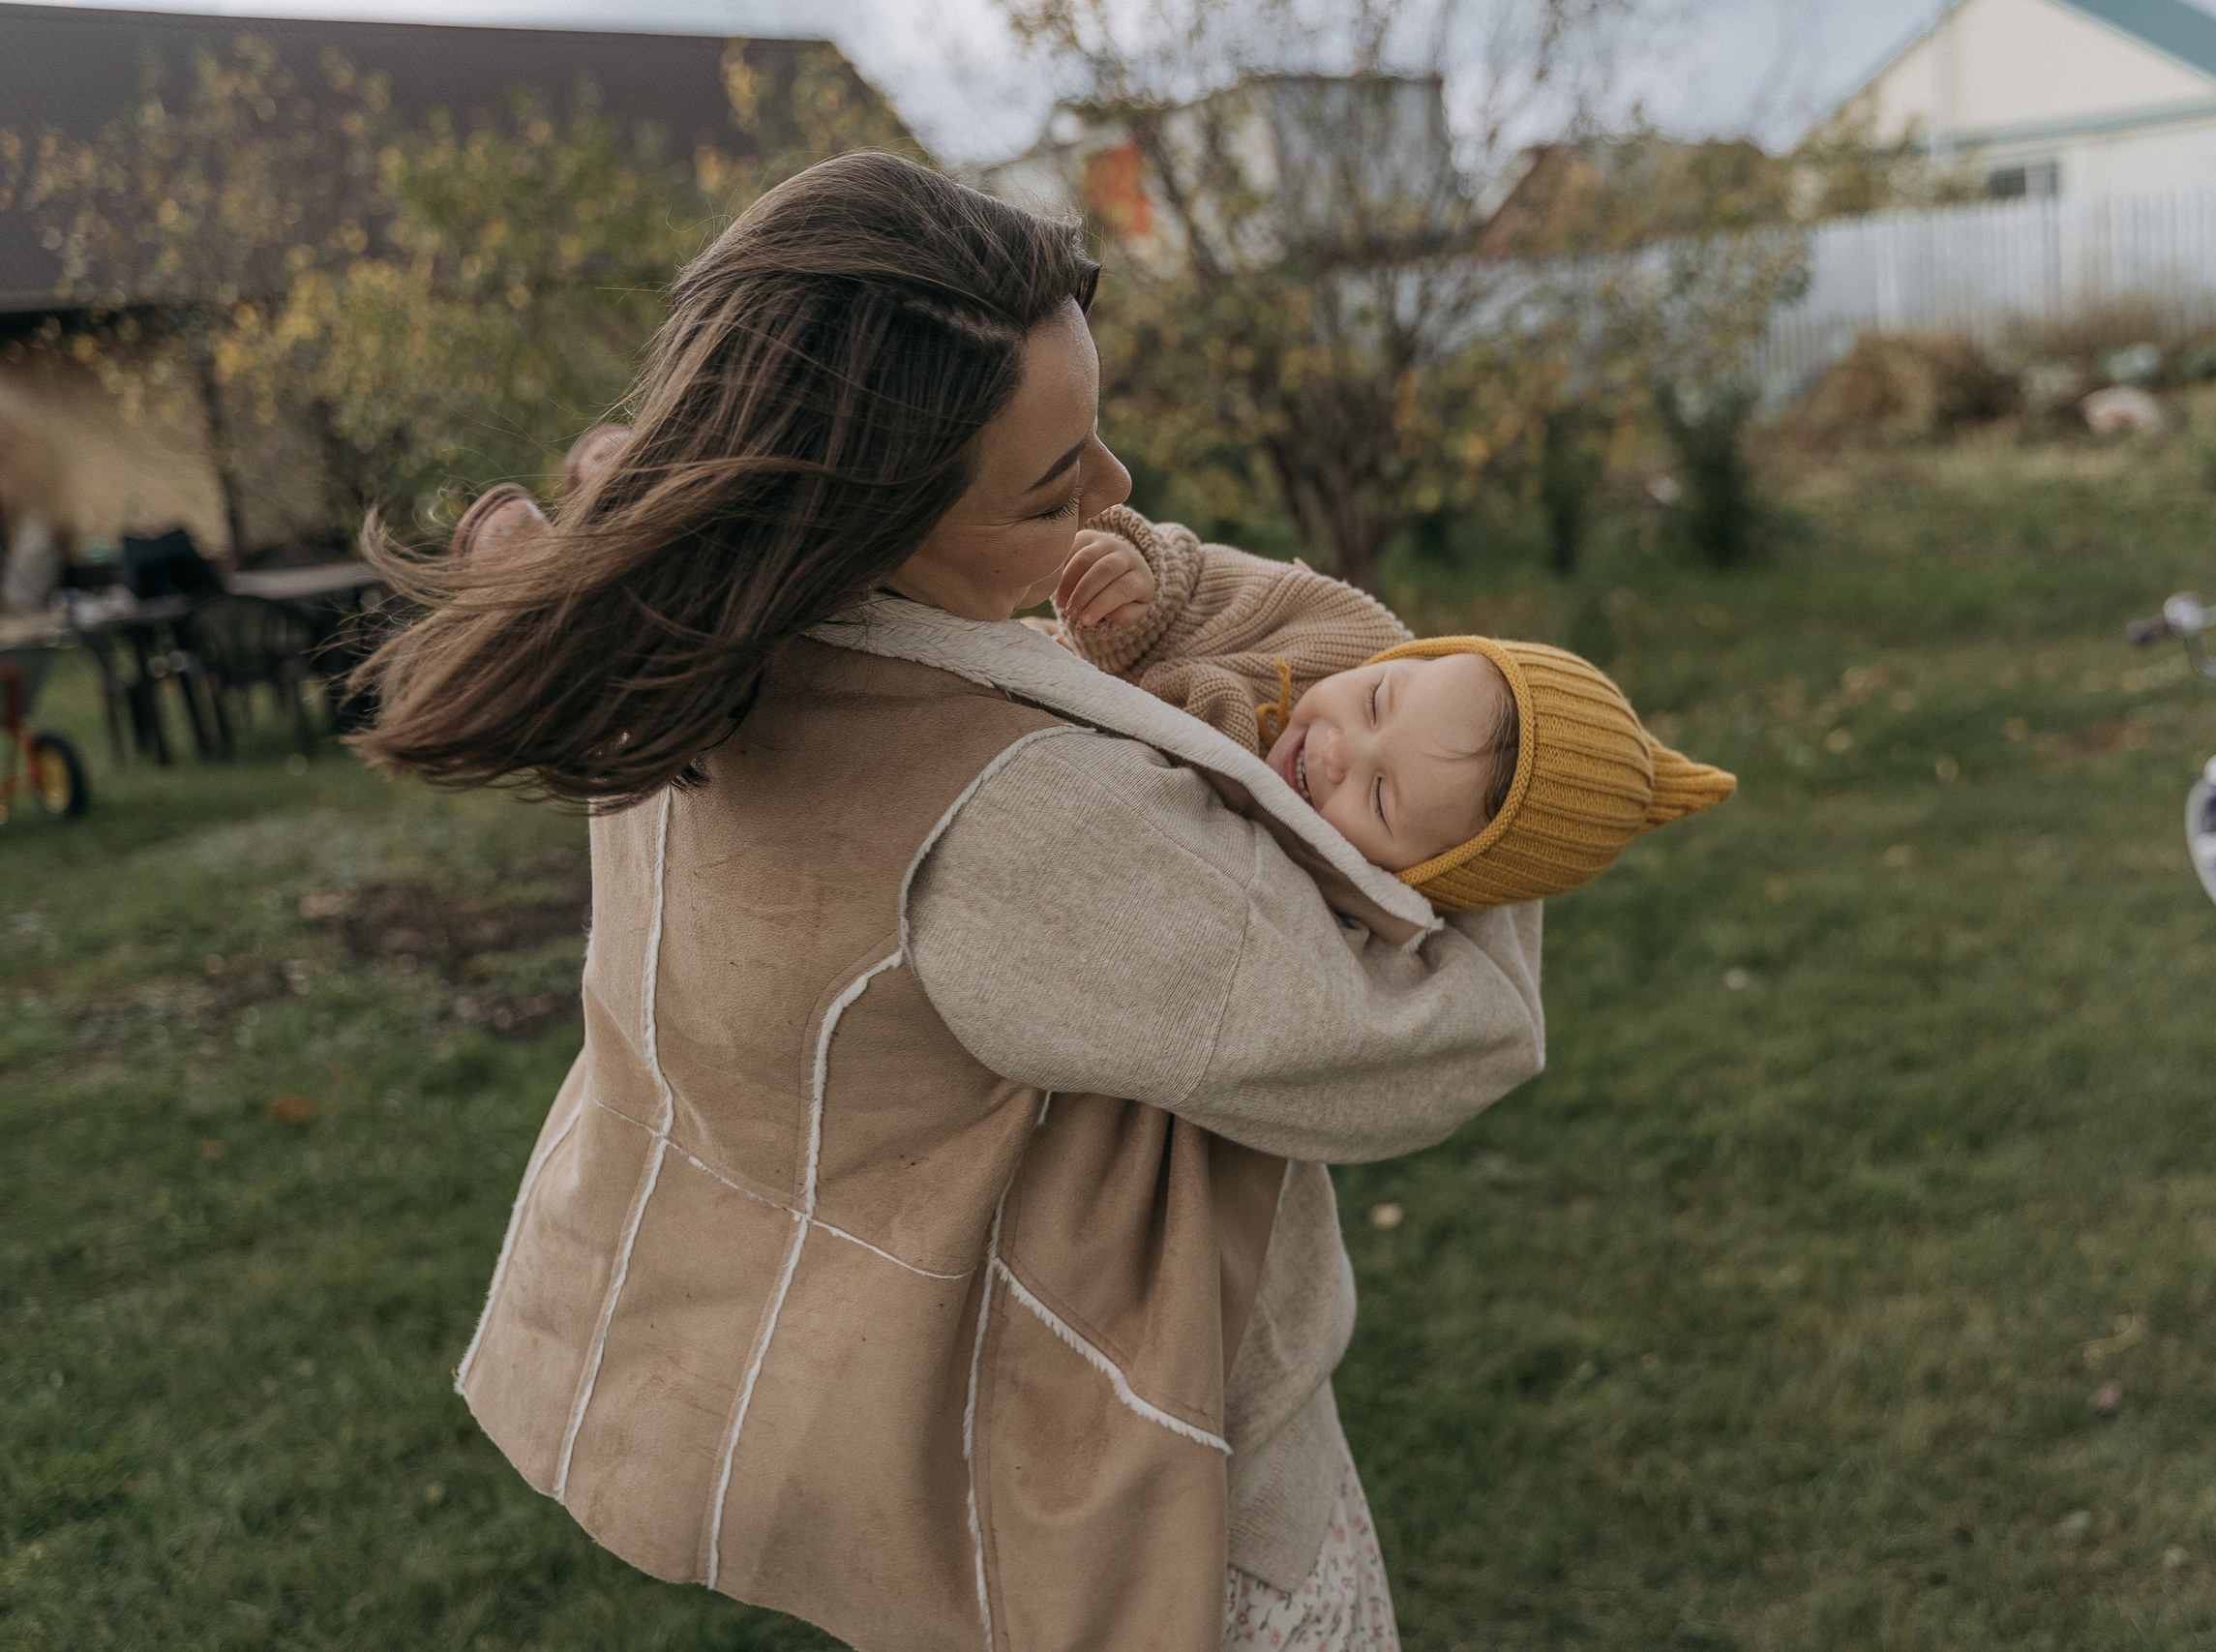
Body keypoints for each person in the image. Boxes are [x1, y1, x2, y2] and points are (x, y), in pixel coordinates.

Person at [353, 153, 1548, 1652]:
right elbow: (1448, 1033)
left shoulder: (680, 656)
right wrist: (1507, 791)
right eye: (1058, 482)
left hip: (875, 1435)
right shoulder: (1012, 812)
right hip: (1128, 1503)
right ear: (865, 525)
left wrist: (1133, 582)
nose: (1116, 492)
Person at [1048, 511, 1735, 908]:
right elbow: (1206, 579)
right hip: (1049, 666)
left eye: (1380, 798)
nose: (1339, 751)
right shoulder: (1349, 632)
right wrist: (1142, 583)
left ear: (1420, 877)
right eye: (1378, 701)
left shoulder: (1322, 896)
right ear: (1417, 656)